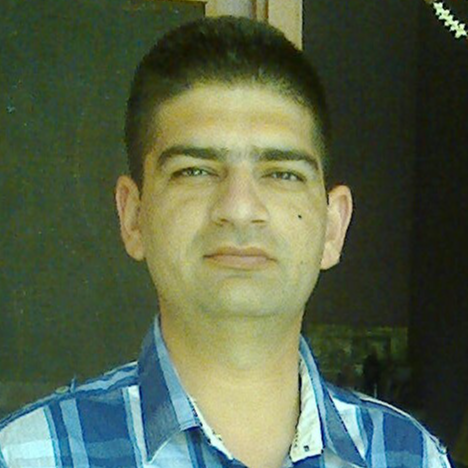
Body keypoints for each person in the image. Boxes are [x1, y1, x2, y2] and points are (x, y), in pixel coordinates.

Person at [0, 16, 452, 468]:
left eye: (282, 174)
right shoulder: (28, 455)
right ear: (133, 216)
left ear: (333, 227)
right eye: (195, 171)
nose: (238, 208)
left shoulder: (409, 456)